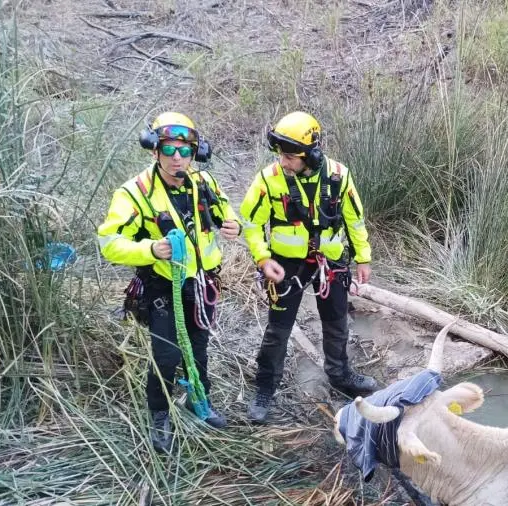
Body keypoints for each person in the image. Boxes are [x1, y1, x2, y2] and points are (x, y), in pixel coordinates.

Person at [97, 112, 242, 452]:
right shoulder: (135, 194)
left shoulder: (204, 184)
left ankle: (198, 401)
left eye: (185, 151)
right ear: (155, 151)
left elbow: (225, 213)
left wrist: (233, 224)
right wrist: (151, 248)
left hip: (202, 283)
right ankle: (159, 416)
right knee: (166, 355)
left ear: (195, 153)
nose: (178, 158)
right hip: (163, 286)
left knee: (199, 347)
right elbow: (109, 243)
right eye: (169, 150)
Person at [240, 111, 379, 423]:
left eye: (291, 156)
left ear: (312, 154)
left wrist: (363, 257)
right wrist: (264, 259)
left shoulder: (338, 176)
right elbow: (250, 222)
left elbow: (354, 219)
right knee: (278, 329)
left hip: (330, 261)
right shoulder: (268, 180)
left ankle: (340, 375)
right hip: (285, 266)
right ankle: (265, 388)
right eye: (280, 155)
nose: (283, 162)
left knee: (336, 322)